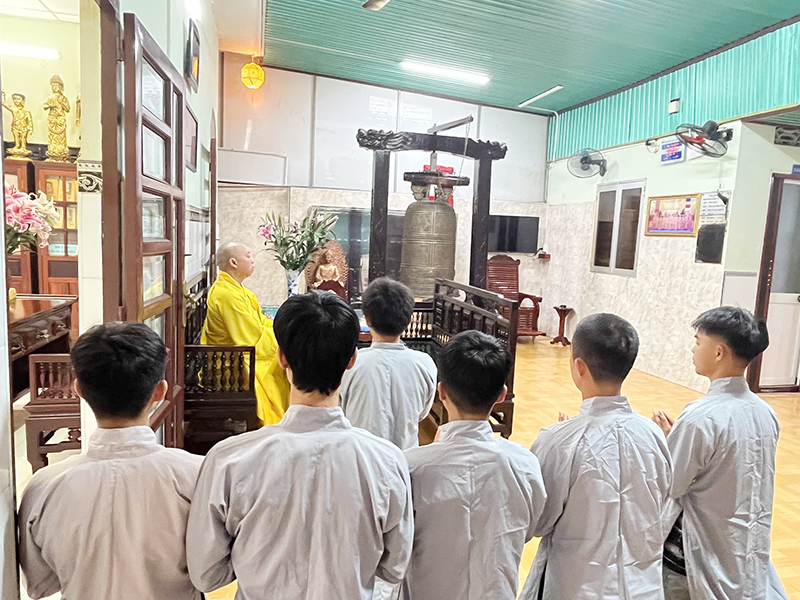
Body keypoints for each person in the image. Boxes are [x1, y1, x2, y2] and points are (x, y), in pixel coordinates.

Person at [187, 291, 414, 600]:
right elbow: (394, 567)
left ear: (282, 357)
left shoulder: (229, 459)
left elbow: (207, 573)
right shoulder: (387, 461)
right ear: (352, 359)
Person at [18, 323, 203, 600]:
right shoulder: (197, 475)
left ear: (78, 389)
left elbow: (40, 585)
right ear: (160, 391)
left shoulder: (43, 487)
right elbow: (212, 571)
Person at [520, 313, 672, 600]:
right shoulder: (654, 434)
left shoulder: (558, 441)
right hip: (642, 587)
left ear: (579, 366)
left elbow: (537, 521)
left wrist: (561, 441)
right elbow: (661, 499)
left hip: (578, 588)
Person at [652, 307, 788, 599]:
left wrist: (669, 441)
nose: (693, 349)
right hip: (741, 551)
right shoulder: (766, 413)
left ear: (718, 353)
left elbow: (672, 484)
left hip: (695, 557)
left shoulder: (700, 417)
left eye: (698, 341)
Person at [403, 331, 546, 600]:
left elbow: (396, 545)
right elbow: (529, 528)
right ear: (501, 394)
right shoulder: (523, 463)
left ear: (441, 392)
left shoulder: (411, 467)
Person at [340, 278, 436, 449]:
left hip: (360, 457)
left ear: (367, 319)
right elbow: (422, 414)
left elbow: (341, 412)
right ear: (409, 320)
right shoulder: (425, 364)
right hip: (405, 458)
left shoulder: (352, 364)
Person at [202, 242, 290, 424]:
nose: (252, 260)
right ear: (233, 263)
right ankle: (280, 423)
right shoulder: (227, 295)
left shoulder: (237, 290)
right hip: (228, 365)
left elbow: (260, 323)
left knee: (286, 359)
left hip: (235, 355)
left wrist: (282, 330)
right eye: (248, 256)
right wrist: (285, 340)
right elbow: (251, 337)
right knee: (284, 363)